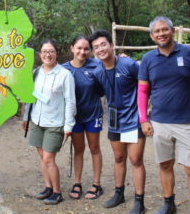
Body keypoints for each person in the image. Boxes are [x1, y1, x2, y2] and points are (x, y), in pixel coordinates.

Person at [89, 30, 146, 214]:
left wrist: (146, 112)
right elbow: (99, 91)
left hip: (133, 118)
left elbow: (145, 84)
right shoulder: (97, 70)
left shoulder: (129, 64)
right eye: (96, 47)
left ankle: (139, 201)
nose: (100, 49)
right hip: (114, 120)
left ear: (112, 45)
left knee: (135, 159)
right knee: (119, 158)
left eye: (103, 44)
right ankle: (119, 193)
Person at [138, 16, 190, 214]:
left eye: (164, 30)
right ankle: (169, 204)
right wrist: (144, 119)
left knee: (189, 168)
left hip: (187, 121)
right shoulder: (148, 59)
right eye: (157, 31)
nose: (161, 34)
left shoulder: (187, 52)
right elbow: (142, 91)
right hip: (160, 122)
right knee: (165, 163)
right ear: (152, 36)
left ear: (172, 30)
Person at [22, 39, 76, 205]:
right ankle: (48, 187)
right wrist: (25, 117)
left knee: (48, 159)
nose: (48, 54)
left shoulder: (65, 74)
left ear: (56, 53)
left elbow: (70, 101)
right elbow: (30, 96)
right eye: (44, 51)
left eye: (51, 51)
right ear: (40, 54)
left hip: (55, 123)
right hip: (37, 120)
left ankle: (57, 192)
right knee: (41, 156)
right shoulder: (36, 72)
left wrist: (68, 125)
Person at [62, 35, 104, 200]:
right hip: (74, 117)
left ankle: (96, 184)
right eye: (79, 48)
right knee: (78, 150)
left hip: (93, 114)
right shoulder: (63, 69)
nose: (82, 51)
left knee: (95, 148)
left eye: (86, 48)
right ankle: (77, 182)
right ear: (72, 48)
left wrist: (121, 58)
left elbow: (111, 66)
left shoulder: (96, 64)